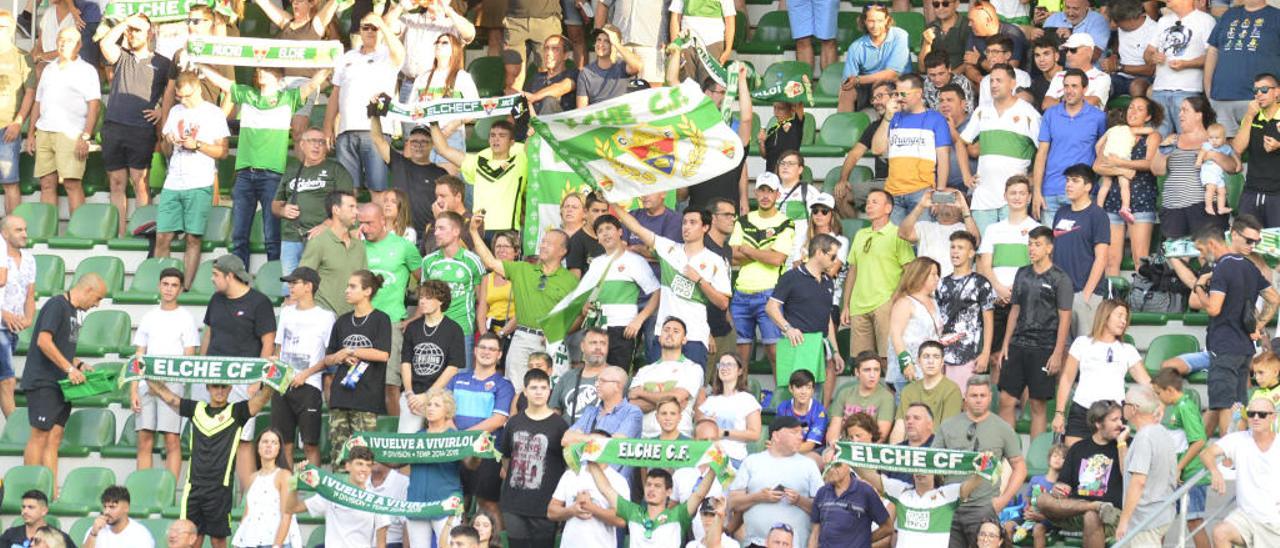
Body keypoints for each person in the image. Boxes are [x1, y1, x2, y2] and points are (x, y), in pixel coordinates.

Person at [198, 63, 330, 268]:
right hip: (244, 174)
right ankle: (238, 278)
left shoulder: (288, 98)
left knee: (272, 236)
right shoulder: (247, 94)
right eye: (259, 69)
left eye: (266, 70)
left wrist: (329, 61)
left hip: (272, 176)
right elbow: (222, 82)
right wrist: (200, 63)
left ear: (278, 76)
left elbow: (313, 84)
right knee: (239, 235)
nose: (260, 73)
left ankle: (274, 278)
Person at [144, 374, 275, 548]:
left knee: (218, 540)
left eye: (223, 386)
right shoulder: (196, 409)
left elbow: (262, 399)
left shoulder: (236, 412)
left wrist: (273, 377)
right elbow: (169, 397)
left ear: (230, 388)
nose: (219, 390)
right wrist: (145, 375)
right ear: (207, 387)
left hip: (220, 489)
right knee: (191, 539)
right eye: (215, 386)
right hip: (194, 488)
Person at [614, 202, 731, 367]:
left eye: (693, 222)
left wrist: (699, 280)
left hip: (695, 336)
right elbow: (637, 228)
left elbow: (723, 303)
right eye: (684, 222)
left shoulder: (715, 261)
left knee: (691, 390)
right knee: (657, 386)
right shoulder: (668, 248)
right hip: (663, 334)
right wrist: (612, 203)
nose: (686, 227)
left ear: (705, 227)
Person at [1192, 219, 1280, 436]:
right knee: (1238, 405)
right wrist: (1258, 325)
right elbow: (1274, 299)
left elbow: (1213, 309)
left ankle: (1227, 460)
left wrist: (1200, 288)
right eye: (1250, 240)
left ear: (1212, 244)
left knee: (1225, 404)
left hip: (1224, 346)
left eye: (1201, 250)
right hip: (1245, 349)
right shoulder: (1249, 266)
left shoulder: (1222, 267)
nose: (1201, 257)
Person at [22, 274, 106, 494]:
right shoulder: (56, 305)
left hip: (61, 384)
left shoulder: (75, 314)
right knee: (40, 434)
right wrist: (69, 369)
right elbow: (43, 341)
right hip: (44, 381)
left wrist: (79, 365)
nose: (96, 304)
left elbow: (63, 348)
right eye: (97, 298)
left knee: (55, 437)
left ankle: (50, 491)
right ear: (88, 290)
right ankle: (31, 491)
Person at [471, 212, 575, 387]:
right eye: (542, 241)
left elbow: (579, 315)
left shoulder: (571, 281)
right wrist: (474, 232)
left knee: (551, 391)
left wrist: (556, 333)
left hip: (552, 342)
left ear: (563, 251)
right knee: (516, 389)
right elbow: (489, 262)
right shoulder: (522, 269)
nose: (543, 246)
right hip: (522, 337)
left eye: (549, 243)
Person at [202, 254, 277, 491]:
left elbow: (268, 342)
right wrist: (201, 367)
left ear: (230, 275)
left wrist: (258, 378)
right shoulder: (215, 300)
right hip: (213, 377)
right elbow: (209, 333)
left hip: (244, 378)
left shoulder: (259, 302)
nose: (212, 280)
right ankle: (210, 489)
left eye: (216, 275)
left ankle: (247, 496)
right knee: (210, 437)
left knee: (243, 439)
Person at [154, 70, 231, 288]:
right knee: (162, 237)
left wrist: (197, 145)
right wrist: (168, 140)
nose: (183, 100)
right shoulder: (176, 111)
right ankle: (163, 286)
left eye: (187, 95)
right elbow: (166, 149)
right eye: (179, 96)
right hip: (173, 181)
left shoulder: (214, 113)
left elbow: (223, 152)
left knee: (193, 238)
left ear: (198, 89)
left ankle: (185, 287)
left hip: (199, 182)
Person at [97, 13, 169, 237]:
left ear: (150, 33)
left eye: (138, 30)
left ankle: (142, 231)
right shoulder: (123, 56)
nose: (132, 34)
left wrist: (160, 111)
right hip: (114, 126)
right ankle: (119, 234)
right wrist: (126, 23)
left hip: (141, 129)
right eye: (131, 30)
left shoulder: (163, 63)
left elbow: (173, 93)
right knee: (117, 183)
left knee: (140, 182)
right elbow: (105, 44)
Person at [997, 226, 1072, 440]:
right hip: (1018, 343)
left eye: (1037, 244)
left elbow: (1065, 318)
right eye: (1030, 244)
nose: (1032, 248)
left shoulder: (1060, 278)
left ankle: (1033, 457)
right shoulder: (1022, 272)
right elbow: (1015, 309)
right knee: (1006, 400)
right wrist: (1005, 344)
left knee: (1038, 404)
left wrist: (1058, 353)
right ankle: (1007, 455)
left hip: (1045, 346)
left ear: (1049, 248)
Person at [935, 376, 1026, 548]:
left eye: (982, 395)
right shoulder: (947, 425)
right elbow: (931, 463)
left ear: (990, 397)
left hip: (983, 506)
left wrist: (1003, 500)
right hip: (950, 506)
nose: (978, 400)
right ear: (965, 397)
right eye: (974, 395)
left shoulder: (1003, 428)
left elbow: (1020, 467)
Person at [325, 13, 404, 203]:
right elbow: (336, 93)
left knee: (378, 189)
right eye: (365, 27)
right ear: (359, 31)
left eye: (373, 27)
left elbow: (400, 53)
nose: (369, 31)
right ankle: (352, 233)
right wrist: (327, 125)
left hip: (377, 130)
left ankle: (379, 232)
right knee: (348, 191)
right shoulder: (347, 57)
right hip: (346, 130)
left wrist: (383, 26)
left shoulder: (388, 54)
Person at [130, 267, 199, 481]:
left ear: (180, 289)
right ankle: (143, 488)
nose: (169, 289)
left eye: (174, 285)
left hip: (172, 384)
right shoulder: (149, 316)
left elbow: (189, 356)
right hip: (146, 383)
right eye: (166, 284)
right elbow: (139, 355)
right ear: (159, 285)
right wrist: (134, 389)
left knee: (171, 438)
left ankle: (167, 490)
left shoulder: (186, 318)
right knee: (144, 438)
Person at [1053, 300, 1150, 447]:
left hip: (1114, 415)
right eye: (1119, 315)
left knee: (1111, 464)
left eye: (1126, 318)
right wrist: (1059, 413)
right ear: (1105, 316)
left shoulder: (1128, 350)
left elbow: (1147, 383)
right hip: (1082, 410)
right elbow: (1066, 379)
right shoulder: (1082, 343)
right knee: (1074, 461)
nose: (1123, 321)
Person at [957, 63, 1041, 233]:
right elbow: (960, 142)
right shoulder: (981, 111)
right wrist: (966, 175)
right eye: (991, 80)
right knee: (983, 250)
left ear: (1012, 83)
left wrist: (1033, 178)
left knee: (1009, 251)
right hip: (983, 196)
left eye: (999, 81)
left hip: (1014, 197)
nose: (994, 85)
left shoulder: (1029, 113)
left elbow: (1044, 151)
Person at [27, 26, 100, 215]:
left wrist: (85, 136)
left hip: (71, 133)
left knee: (71, 184)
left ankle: (79, 233)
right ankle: (46, 231)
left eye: (69, 40)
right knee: (46, 184)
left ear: (79, 45)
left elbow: (94, 105)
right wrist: (30, 135)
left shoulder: (87, 70)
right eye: (61, 38)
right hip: (44, 131)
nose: (63, 43)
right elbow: (37, 102)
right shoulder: (48, 69)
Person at [357, 203, 422, 413]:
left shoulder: (404, 246)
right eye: (361, 223)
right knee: (360, 383)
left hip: (391, 322)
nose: (364, 228)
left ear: (383, 221)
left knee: (390, 384)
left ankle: (393, 437)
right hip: (362, 322)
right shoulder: (357, 248)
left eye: (369, 223)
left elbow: (426, 283)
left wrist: (417, 315)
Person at [323, 271, 393, 464]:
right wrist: (339, 356)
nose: (347, 290)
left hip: (366, 398)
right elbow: (328, 358)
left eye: (353, 286)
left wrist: (351, 351)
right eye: (348, 285)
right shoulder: (342, 321)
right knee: (338, 456)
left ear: (367, 291)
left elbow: (383, 354)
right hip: (340, 395)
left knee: (363, 457)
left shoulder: (381, 319)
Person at [271, 130, 355, 292]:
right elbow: (275, 205)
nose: (317, 145)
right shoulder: (292, 170)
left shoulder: (336, 169)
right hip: (292, 237)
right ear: (302, 145)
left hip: (324, 238)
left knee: (320, 289)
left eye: (321, 142)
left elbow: (348, 204)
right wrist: (282, 211)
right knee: (291, 290)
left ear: (327, 147)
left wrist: (327, 224)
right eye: (312, 141)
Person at [1035, 400, 1126, 548]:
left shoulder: (1125, 445)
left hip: (1110, 513)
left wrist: (1122, 443)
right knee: (1042, 499)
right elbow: (1063, 484)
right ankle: (1094, 506)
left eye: (1120, 419)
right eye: (1114, 420)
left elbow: (1128, 475)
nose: (1120, 424)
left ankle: (1094, 508)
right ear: (1098, 423)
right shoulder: (1078, 448)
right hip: (1076, 509)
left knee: (1091, 516)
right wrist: (1059, 489)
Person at [448, 332, 516, 527]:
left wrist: (464, 436)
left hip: (486, 453)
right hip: (456, 449)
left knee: (487, 503)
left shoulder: (503, 384)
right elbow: (444, 411)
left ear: (499, 355)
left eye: (492, 349)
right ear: (475, 350)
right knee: (459, 502)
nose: (487, 352)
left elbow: (498, 419)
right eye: (483, 347)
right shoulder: (457, 379)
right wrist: (455, 436)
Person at [577, 213, 660, 367]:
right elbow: (585, 295)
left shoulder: (635, 261)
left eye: (609, 228)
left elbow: (656, 292)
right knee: (595, 376)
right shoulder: (596, 263)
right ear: (597, 238)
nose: (605, 233)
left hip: (623, 328)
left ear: (620, 232)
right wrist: (585, 305)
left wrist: (639, 320)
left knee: (618, 377)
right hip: (597, 329)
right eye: (600, 231)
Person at [767, 234, 844, 400]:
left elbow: (827, 318)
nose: (835, 260)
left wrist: (836, 351)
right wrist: (788, 329)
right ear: (818, 253)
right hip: (798, 346)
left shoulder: (828, 281)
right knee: (795, 397)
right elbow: (771, 307)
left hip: (819, 348)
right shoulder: (791, 277)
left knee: (814, 398)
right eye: (832, 256)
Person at [840, 189, 915, 360]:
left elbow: (909, 269)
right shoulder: (860, 234)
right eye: (868, 202)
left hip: (884, 302)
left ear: (888, 208)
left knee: (887, 358)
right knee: (861, 360)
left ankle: (890, 389)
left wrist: (895, 298)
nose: (869, 206)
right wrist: (846, 304)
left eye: (875, 202)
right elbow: (853, 270)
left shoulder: (897, 234)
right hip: (858, 305)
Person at [248, 0, 339, 139]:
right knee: (273, 127)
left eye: (300, 1)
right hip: (281, 82)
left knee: (298, 129)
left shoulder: (315, 25)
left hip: (304, 82)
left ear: (310, 4)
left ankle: (301, 160)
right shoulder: (286, 22)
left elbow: (332, 5)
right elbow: (265, 4)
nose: (295, 4)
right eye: (293, 1)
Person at [1093, 96, 1162, 275]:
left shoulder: (1152, 135)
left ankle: (1142, 300)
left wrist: (1118, 163)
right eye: (1131, 108)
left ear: (1148, 117)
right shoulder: (1116, 132)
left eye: (1139, 109)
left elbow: (1149, 164)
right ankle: (1111, 301)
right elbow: (1098, 166)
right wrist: (1124, 171)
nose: (1133, 112)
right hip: (1113, 199)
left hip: (1141, 199)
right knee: (1110, 260)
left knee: (1141, 259)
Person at [497, 369, 566, 548]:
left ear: (549, 391)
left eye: (543, 387)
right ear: (525, 391)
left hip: (544, 505)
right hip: (514, 503)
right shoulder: (513, 422)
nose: (539, 392)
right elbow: (505, 458)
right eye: (534, 387)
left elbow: (567, 466)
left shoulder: (560, 425)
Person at [272, 266, 333, 468]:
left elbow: (329, 356)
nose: (290, 286)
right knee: (284, 443)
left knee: (310, 444)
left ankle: (316, 490)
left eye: (294, 283)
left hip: (310, 384)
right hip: (283, 384)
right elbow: (279, 347)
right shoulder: (287, 312)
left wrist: (305, 374)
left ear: (308, 286)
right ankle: (287, 490)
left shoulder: (325, 317)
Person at [729, 416, 823, 546]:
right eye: (794, 432)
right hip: (756, 543)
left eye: (801, 433)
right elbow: (733, 502)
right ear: (776, 436)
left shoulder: (809, 465)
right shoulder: (752, 461)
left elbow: (822, 509)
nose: (800, 437)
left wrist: (799, 500)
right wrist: (758, 497)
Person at [871, 74, 952, 224]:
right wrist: (887, 117)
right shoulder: (893, 117)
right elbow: (877, 150)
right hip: (892, 193)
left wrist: (939, 194)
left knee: (921, 242)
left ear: (919, 93)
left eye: (903, 94)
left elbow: (944, 158)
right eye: (896, 94)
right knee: (896, 244)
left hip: (922, 192)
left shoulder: (936, 119)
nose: (899, 98)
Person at [1201, 397, 1280, 548]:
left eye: (1262, 414)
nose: (1256, 418)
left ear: (1273, 417)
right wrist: (1214, 471)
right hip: (1246, 517)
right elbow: (1206, 453)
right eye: (1251, 413)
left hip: (1275, 520)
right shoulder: (1238, 440)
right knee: (1220, 532)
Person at [1032, 69, 1108, 224]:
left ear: (1084, 89)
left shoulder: (1098, 117)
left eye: (1074, 86)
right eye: (1066, 86)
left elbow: (1103, 154)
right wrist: (1037, 191)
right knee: (1050, 246)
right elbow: (1041, 154)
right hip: (1050, 190)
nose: (1069, 91)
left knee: (1078, 244)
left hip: (1082, 192)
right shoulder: (1050, 114)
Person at [1153, 97, 1235, 238]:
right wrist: (1162, 150)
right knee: (1174, 253)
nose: (1180, 114)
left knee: (1209, 252)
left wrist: (1214, 156)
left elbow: (1233, 167)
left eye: (1185, 110)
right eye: (1180, 110)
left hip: (1205, 204)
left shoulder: (1215, 139)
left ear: (1199, 115)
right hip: (1172, 204)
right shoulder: (1173, 138)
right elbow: (1157, 170)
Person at [589, 460, 717, 548]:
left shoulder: (678, 515)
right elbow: (606, 489)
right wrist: (590, 460)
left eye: (657, 486)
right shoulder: (633, 511)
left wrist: (715, 468)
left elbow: (699, 494)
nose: (651, 489)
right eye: (648, 485)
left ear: (669, 492)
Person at [430, 121, 527, 235]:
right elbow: (444, 150)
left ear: (512, 142)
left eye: (502, 136)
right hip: (478, 229)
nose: (496, 139)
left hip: (507, 230)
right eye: (492, 135)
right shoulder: (477, 162)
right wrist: (433, 124)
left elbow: (532, 143)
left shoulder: (521, 160)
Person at [286, 446, 391, 548]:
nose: (364, 469)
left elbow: (381, 541)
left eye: (368, 465)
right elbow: (292, 508)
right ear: (348, 466)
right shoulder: (332, 491)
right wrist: (295, 482)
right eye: (359, 464)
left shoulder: (376, 499)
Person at [1151, 369, 1211, 548]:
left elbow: (1199, 440)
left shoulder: (1186, 406)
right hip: (1179, 474)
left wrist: (1179, 467)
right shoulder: (1175, 407)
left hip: (1191, 473)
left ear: (1170, 390)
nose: (1158, 397)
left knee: (1193, 520)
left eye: (1158, 393)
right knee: (1161, 519)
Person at [419, 210, 484, 370]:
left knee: (460, 384)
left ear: (456, 232)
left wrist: (483, 333)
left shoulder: (472, 261)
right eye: (435, 229)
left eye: (441, 228)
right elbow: (424, 300)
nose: (436, 233)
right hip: (433, 330)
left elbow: (482, 300)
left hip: (462, 330)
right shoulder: (428, 262)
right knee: (433, 381)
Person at [1050, 163, 1110, 334]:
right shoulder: (1061, 212)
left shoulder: (1098, 215)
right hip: (1059, 293)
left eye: (1075, 181)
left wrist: (1086, 295)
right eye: (1067, 180)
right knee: (1060, 351)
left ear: (1088, 186)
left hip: (1084, 294)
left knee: (1084, 350)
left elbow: (1102, 257)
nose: (1068, 184)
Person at [1206, 0, 1280, 137]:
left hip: (1259, 98)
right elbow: (1212, 51)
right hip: (1221, 97)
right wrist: (1208, 89)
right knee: (1226, 151)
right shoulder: (1229, 15)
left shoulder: (1276, 16)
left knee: (1261, 151)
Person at [1114, 385, 1178, 543]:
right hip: (1158, 514)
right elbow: (1128, 473)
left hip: (1145, 520)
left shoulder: (1144, 438)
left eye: (1125, 403)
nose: (1123, 406)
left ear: (1134, 409)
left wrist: (1124, 520)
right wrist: (1121, 444)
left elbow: (1138, 482)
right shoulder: (1160, 431)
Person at [399, 281, 465, 433]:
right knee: (407, 442)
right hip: (412, 395)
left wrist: (428, 395)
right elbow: (406, 363)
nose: (422, 301)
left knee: (440, 444)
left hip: (440, 395)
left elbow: (453, 368)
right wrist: (409, 394)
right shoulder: (413, 328)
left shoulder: (454, 329)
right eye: (421, 297)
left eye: (428, 297)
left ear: (441, 300)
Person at [1143, 0, 1215, 137]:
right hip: (1159, 90)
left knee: (1188, 138)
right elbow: (1147, 53)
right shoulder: (1163, 21)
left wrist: (1186, 64)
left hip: (1188, 90)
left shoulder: (1206, 20)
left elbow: (1212, 56)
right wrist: (1153, 57)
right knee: (1156, 141)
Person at [934, 231, 994, 389]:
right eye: (952, 247)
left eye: (960, 247)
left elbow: (988, 321)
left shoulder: (981, 283)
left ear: (971, 253)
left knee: (963, 401)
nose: (955, 251)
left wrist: (986, 353)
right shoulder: (941, 283)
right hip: (940, 354)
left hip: (967, 354)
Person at [404, 388, 463, 548]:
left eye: (437, 405)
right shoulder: (417, 437)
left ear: (447, 411)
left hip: (446, 503)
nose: (430, 408)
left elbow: (471, 465)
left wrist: (478, 451)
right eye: (429, 404)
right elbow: (397, 461)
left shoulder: (456, 438)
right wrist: (375, 451)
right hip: (417, 504)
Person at [408, 34, 477, 170]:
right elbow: (411, 108)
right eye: (437, 42)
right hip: (424, 138)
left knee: (445, 184)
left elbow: (475, 110)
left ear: (454, 49)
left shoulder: (462, 77)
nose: (439, 45)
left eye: (444, 43)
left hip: (451, 136)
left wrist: (453, 125)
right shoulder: (423, 77)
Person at [548, 435, 629, 546]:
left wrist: (592, 508)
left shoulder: (619, 480)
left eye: (599, 444)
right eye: (591, 443)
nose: (594, 446)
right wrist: (572, 510)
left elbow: (621, 520)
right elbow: (551, 512)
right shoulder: (570, 474)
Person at [370, 122, 442, 246]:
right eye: (414, 142)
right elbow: (377, 139)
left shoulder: (440, 173)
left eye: (424, 142)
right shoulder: (399, 162)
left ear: (432, 145)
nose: (419, 146)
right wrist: (374, 115)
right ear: (408, 143)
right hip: (400, 232)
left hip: (429, 235)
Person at [231, 429, 302, 548]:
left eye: (274, 442)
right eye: (265, 441)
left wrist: (277, 545)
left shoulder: (284, 475)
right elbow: (248, 513)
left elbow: (287, 514)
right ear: (258, 447)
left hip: (275, 542)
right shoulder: (252, 477)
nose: (269, 445)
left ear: (279, 449)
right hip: (251, 541)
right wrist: (238, 542)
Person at [300, 191, 367, 317]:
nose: (356, 212)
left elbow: (364, 283)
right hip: (322, 318)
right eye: (351, 207)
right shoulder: (318, 242)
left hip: (352, 319)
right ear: (336, 210)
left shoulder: (359, 246)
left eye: (356, 207)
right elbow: (303, 280)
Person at [839, 6, 910, 112]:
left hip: (897, 84)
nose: (875, 26)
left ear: (887, 20)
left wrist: (859, 79)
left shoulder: (900, 35)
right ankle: (844, 126)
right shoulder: (856, 46)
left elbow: (893, 74)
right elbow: (849, 80)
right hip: (868, 87)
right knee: (846, 92)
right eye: (871, 21)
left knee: (883, 89)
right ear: (864, 21)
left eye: (880, 21)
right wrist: (849, 83)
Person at [1232, 73, 1280, 228]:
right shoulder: (1252, 116)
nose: (1259, 94)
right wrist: (1249, 115)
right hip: (1252, 191)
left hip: (1277, 194)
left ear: (1277, 92)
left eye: (1264, 89)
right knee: (1246, 244)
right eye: (1256, 90)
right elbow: (1238, 148)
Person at [888, 258, 944, 390]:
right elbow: (895, 335)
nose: (937, 278)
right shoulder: (905, 302)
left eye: (938, 274)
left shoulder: (934, 301)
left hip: (929, 369)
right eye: (933, 274)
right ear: (920, 275)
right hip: (909, 371)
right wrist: (906, 363)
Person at [695, 353, 762, 463]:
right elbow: (699, 431)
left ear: (740, 371)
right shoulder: (711, 400)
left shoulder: (747, 399)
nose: (724, 368)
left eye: (729, 364)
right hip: (708, 456)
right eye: (721, 365)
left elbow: (755, 434)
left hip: (733, 457)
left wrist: (724, 433)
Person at [0, 215, 35, 418]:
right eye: (18, 230)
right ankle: (15, 430)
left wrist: (29, 318)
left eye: (25, 229)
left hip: (13, 329)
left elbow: (30, 294)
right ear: (5, 233)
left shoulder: (30, 259)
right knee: (7, 380)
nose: (24, 234)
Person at [562, 365, 643, 452]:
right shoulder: (590, 411)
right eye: (597, 380)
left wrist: (581, 438)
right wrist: (596, 438)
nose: (596, 384)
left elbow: (615, 445)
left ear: (617, 385)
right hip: (585, 465)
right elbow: (565, 440)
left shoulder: (632, 412)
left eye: (602, 381)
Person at [0, 10, 32, 216]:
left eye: (2, 26)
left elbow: (30, 94)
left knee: (10, 182)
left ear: (11, 29)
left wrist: (18, 122)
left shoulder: (23, 57)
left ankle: (12, 232)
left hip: (7, 129)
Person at [829, 352, 895, 444]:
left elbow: (881, 436)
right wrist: (833, 448)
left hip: (869, 450)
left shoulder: (886, 397)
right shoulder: (844, 393)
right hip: (844, 446)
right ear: (857, 372)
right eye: (867, 370)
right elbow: (834, 429)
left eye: (876, 370)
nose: (872, 375)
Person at [550, 328, 612, 425]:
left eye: (603, 343)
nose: (598, 347)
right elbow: (554, 412)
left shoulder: (618, 377)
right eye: (593, 343)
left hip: (600, 438)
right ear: (582, 346)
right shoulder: (567, 377)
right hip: (568, 437)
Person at [575, 27, 643, 107]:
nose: (600, 44)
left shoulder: (623, 66)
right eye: (599, 40)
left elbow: (638, 66)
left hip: (620, 115)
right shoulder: (586, 72)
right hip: (597, 116)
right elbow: (581, 109)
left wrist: (617, 44)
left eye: (607, 41)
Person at [1041, 34, 1110, 110]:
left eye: (1073, 50)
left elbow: (1092, 102)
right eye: (1066, 50)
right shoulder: (1059, 75)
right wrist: (1077, 100)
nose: (1068, 54)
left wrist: (1060, 100)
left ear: (1089, 51)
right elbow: (1046, 104)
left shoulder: (1101, 77)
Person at [775, 370, 828, 461]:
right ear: (791, 389)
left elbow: (810, 445)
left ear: (813, 390)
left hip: (814, 451)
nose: (804, 392)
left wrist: (785, 450)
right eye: (799, 387)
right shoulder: (783, 408)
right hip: (786, 449)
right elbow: (777, 436)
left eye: (808, 387)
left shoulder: (819, 411)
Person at [477, 230, 518, 348]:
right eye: (498, 246)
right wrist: (485, 336)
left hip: (513, 331)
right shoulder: (487, 278)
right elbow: (482, 309)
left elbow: (522, 312)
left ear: (515, 251)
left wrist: (502, 333)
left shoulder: (520, 275)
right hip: (491, 329)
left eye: (506, 246)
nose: (501, 250)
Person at [521, 36, 578, 117]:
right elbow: (525, 102)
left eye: (555, 49)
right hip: (535, 124)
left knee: (549, 100)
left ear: (565, 55)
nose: (548, 53)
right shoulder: (536, 78)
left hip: (561, 125)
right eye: (546, 48)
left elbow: (562, 87)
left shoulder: (573, 73)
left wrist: (534, 97)